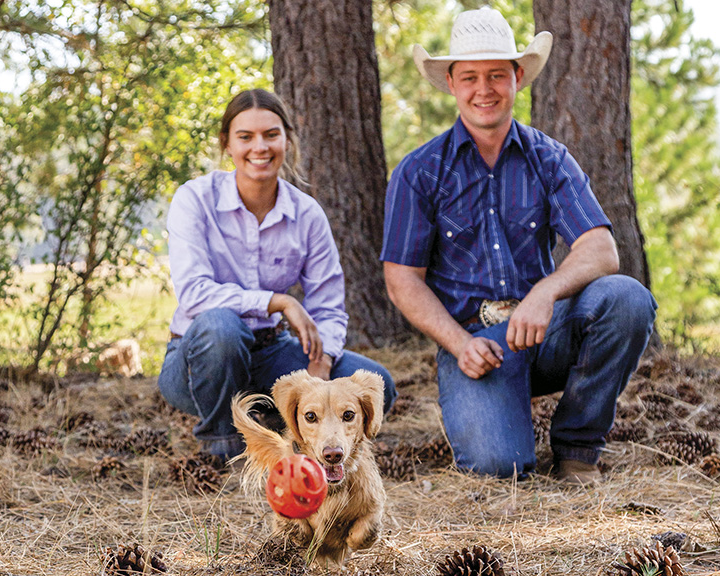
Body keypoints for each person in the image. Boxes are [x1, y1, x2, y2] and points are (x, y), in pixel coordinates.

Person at [380, 6, 657, 484]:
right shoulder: (419, 172)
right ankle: (499, 413)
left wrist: (545, 293)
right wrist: (459, 344)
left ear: (517, 78)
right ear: (451, 84)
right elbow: (402, 279)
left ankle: (577, 448)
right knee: (497, 468)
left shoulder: (550, 159)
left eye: (496, 75)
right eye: (470, 77)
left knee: (626, 299)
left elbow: (601, 249)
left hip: (546, 330)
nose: (483, 89)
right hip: (476, 344)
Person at [158, 88, 396, 461]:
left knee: (374, 385)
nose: (260, 147)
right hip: (200, 361)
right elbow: (194, 294)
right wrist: (278, 301)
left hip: (272, 352)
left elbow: (328, 307)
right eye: (245, 136)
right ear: (227, 144)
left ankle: (282, 424)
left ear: (287, 139)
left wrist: (322, 366)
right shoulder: (195, 199)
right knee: (222, 327)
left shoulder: (306, 214)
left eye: (271, 134)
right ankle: (222, 445)